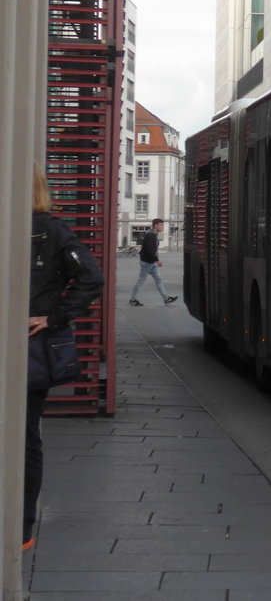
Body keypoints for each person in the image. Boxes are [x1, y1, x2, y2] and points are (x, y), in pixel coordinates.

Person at [28, 164, 103, 550]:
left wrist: (53, 317)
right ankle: (21, 526)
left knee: (25, 437)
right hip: (29, 351)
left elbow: (92, 278)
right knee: (27, 438)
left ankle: (21, 524)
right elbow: (90, 278)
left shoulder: (51, 232)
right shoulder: (52, 231)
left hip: (29, 351)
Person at [128, 218, 177, 305]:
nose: (162, 227)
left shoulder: (153, 234)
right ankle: (132, 299)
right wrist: (157, 260)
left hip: (150, 262)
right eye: (161, 225)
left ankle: (166, 299)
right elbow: (150, 250)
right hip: (147, 262)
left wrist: (155, 260)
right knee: (141, 281)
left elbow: (153, 250)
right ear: (155, 225)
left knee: (158, 279)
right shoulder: (150, 235)